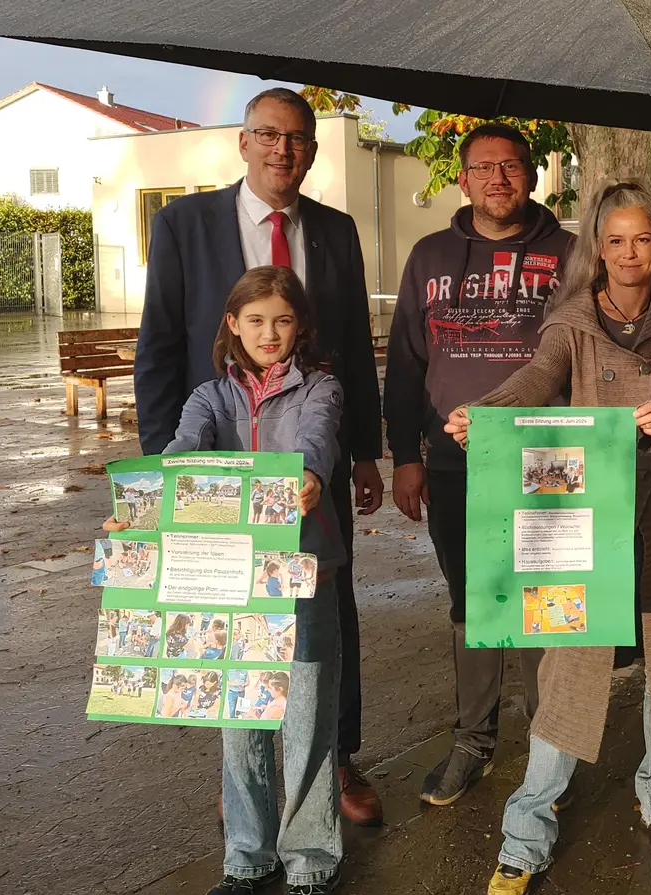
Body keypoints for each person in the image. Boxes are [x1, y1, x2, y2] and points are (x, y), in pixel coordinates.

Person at [444, 181, 651, 895]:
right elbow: (537, 380)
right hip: (584, 526)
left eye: (643, 239)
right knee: (569, 675)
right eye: (616, 240)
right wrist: (486, 409)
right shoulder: (570, 321)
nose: (630, 253)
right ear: (598, 249)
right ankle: (526, 831)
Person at [134, 87, 383, 825]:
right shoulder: (184, 224)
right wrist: (163, 481)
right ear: (242, 143)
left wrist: (363, 452)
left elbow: (354, 359)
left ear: (311, 150)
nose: (284, 149)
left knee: (326, 607)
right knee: (233, 615)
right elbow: (159, 351)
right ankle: (246, 774)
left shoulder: (336, 232)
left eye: (298, 138)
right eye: (268, 135)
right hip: (217, 463)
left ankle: (335, 758)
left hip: (312, 461)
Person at [110, 265, 348, 895]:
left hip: (303, 571)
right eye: (255, 320)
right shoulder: (208, 398)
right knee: (239, 718)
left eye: (283, 319)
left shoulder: (320, 388)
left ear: (300, 326)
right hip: (228, 579)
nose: (269, 333)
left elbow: (316, 442)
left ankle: (312, 858)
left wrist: (311, 477)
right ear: (232, 325)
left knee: (305, 718)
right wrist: (141, 508)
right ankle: (247, 857)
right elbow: (183, 453)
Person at [383, 123, 571, 807]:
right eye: (484, 167)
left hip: (547, 458)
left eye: (513, 166)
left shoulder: (572, 253)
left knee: (543, 604)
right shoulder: (431, 255)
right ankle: (474, 741)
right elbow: (405, 364)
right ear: (462, 180)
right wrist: (406, 455)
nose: (499, 179)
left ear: (532, 174)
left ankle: (550, 748)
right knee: (472, 599)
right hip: (453, 460)